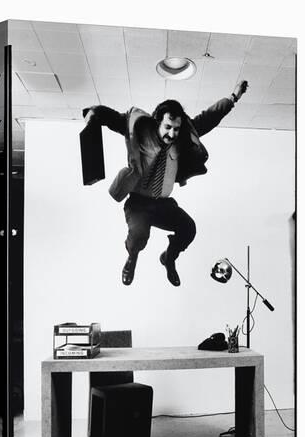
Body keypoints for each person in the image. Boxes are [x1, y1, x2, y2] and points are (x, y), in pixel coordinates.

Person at [83, 80, 248, 286]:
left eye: (176, 129)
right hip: (138, 204)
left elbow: (209, 118)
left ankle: (168, 258)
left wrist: (232, 99)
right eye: (168, 127)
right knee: (139, 235)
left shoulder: (181, 139)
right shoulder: (141, 130)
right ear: (157, 121)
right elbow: (113, 118)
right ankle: (132, 257)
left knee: (189, 229)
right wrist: (93, 112)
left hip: (162, 204)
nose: (172, 134)